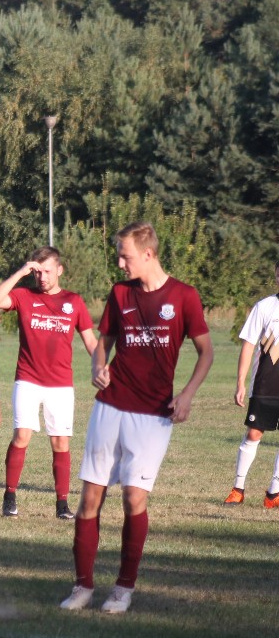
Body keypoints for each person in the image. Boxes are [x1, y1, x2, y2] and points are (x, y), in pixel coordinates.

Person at [60, 222, 213, 615]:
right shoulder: (119, 293)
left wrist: (187, 395)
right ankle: (82, 587)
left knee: (133, 498)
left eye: (124, 254)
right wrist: (99, 365)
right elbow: (103, 343)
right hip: (110, 406)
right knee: (90, 498)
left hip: (153, 414)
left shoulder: (184, 296)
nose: (119, 261)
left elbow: (206, 352)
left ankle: (123, 589)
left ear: (148, 254)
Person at [0, 247, 97, 520]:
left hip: (61, 384)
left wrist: (106, 367)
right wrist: (21, 273)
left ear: (60, 270)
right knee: (22, 436)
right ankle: (9, 496)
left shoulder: (74, 301)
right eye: (38, 272)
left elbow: (91, 341)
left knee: (61, 442)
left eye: (47, 271)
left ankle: (62, 504)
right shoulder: (24, 296)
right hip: (28, 379)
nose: (42, 277)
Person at [223, 261, 279, 508]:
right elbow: (248, 344)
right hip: (266, 383)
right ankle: (238, 488)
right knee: (254, 433)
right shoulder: (265, 307)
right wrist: (240, 382)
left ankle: (273, 494)